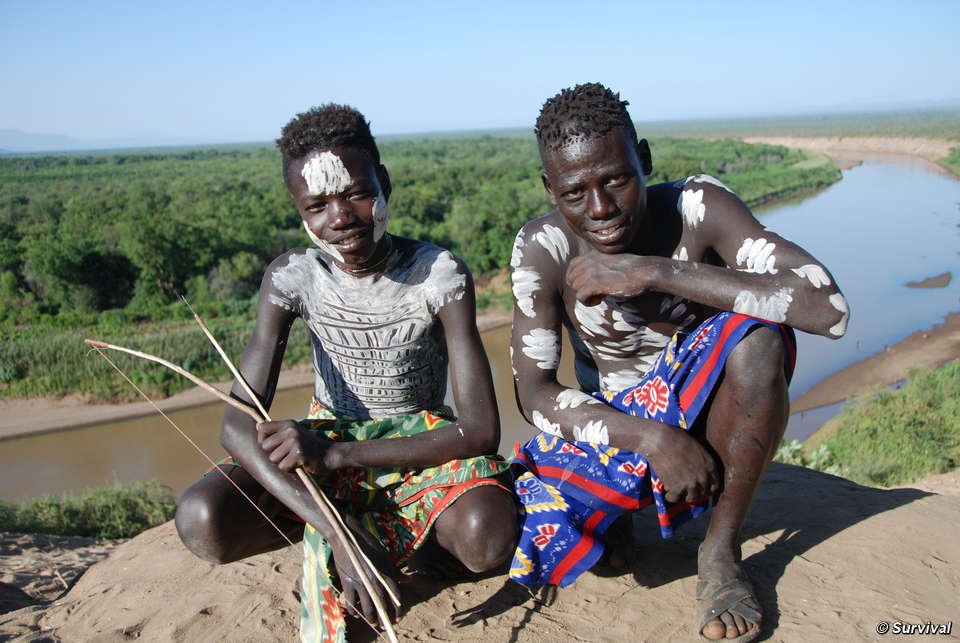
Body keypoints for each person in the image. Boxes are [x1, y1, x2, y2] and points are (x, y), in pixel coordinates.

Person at [507, 83, 849, 642]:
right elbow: (534, 393)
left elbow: (828, 309)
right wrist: (651, 439)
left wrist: (656, 272)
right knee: (532, 527)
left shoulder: (697, 207)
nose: (600, 209)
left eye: (617, 179)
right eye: (574, 192)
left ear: (643, 159)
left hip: (709, 417)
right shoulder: (544, 247)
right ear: (550, 188)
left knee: (757, 340)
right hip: (619, 429)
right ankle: (622, 512)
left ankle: (720, 551)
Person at [174, 104, 517, 641]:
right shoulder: (292, 277)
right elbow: (236, 426)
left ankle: (414, 544)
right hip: (321, 445)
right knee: (202, 519)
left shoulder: (438, 275)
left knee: (486, 534)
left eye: (356, 193)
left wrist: (339, 456)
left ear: (385, 184)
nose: (341, 217)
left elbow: (478, 431)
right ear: (299, 211)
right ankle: (353, 529)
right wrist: (335, 528)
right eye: (317, 205)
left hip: (415, 450)